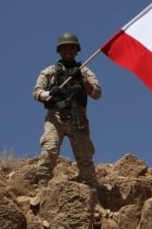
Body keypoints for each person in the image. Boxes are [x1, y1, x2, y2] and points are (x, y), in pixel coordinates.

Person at [32, 32, 102, 188]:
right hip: (55, 118)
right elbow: (36, 92)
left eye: (71, 48)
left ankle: (91, 190)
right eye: (65, 49)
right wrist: (49, 94)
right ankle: (42, 188)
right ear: (60, 51)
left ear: (76, 50)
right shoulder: (50, 71)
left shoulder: (84, 71)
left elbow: (97, 93)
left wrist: (82, 80)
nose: (68, 51)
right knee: (49, 150)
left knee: (85, 157)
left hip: (78, 120)